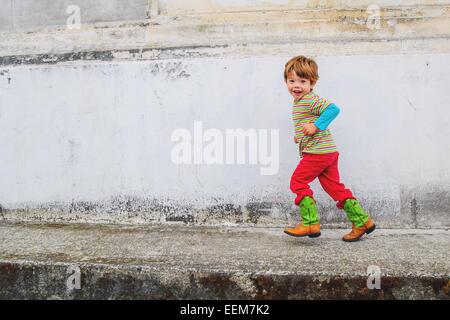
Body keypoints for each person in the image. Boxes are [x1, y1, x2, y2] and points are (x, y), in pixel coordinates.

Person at [283, 55, 376, 242]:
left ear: (312, 82)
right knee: (335, 188)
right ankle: (362, 221)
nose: (296, 86)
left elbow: (333, 109)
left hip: (318, 153)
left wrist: (316, 126)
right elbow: (307, 124)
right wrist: (301, 136)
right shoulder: (300, 102)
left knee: (298, 182)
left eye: (302, 81)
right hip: (328, 152)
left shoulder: (309, 99)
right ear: (286, 81)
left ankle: (310, 222)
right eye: (291, 81)